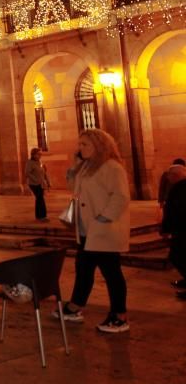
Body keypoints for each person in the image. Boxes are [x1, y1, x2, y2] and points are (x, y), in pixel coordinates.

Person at [55, 129, 131, 333]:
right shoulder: (87, 167)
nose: (80, 148)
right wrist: (75, 166)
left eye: (85, 144)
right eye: (79, 144)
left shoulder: (112, 167)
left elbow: (121, 196)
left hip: (103, 229)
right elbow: (76, 189)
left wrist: (104, 217)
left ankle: (119, 315)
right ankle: (75, 306)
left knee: (111, 272)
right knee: (84, 268)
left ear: (99, 145)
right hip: (87, 229)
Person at [162, 178, 186, 298]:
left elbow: (172, 210)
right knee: (177, 256)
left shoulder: (179, 188)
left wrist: (166, 229)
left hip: (181, 230)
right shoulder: (179, 187)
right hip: (180, 230)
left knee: (177, 256)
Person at [25, 148, 51, 221]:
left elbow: (43, 173)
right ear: (33, 155)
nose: (40, 155)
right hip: (34, 184)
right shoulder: (29, 163)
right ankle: (42, 216)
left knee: (39, 199)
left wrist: (48, 182)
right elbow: (27, 173)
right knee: (40, 199)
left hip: (40, 183)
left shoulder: (39, 162)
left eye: (41, 154)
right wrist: (36, 180)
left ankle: (40, 216)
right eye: (38, 154)